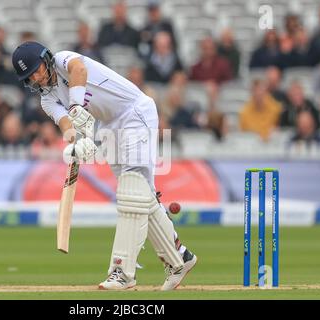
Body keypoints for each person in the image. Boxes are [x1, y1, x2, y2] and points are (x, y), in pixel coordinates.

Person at [11, 41, 197, 290]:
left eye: (36, 69)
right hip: (108, 127)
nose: (36, 76)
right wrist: (75, 145)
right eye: (30, 76)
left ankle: (122, 273)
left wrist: (76, 105)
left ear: (46, 59)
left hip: (134, 113)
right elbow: (67, 126)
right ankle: (180, 258)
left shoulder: (65, 60)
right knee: (141, 197)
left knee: (132, 193)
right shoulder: (47, 100)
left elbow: (80, 70)